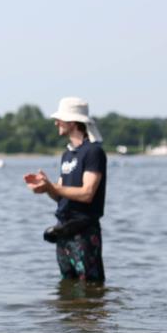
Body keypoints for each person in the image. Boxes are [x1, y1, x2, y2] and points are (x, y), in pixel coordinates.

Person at [24, 97, 107, 283]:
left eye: (59, 119)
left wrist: (53, 186)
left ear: (72, 122)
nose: (56, 123)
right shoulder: (67, 154)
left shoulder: (93, 152)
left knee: (90, 286)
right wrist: (46, 187)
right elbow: (61, 195)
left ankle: (91, 313)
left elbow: (87, 193)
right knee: (67, 285)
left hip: (84, 231)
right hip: (64, 230)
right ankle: (70, 313)